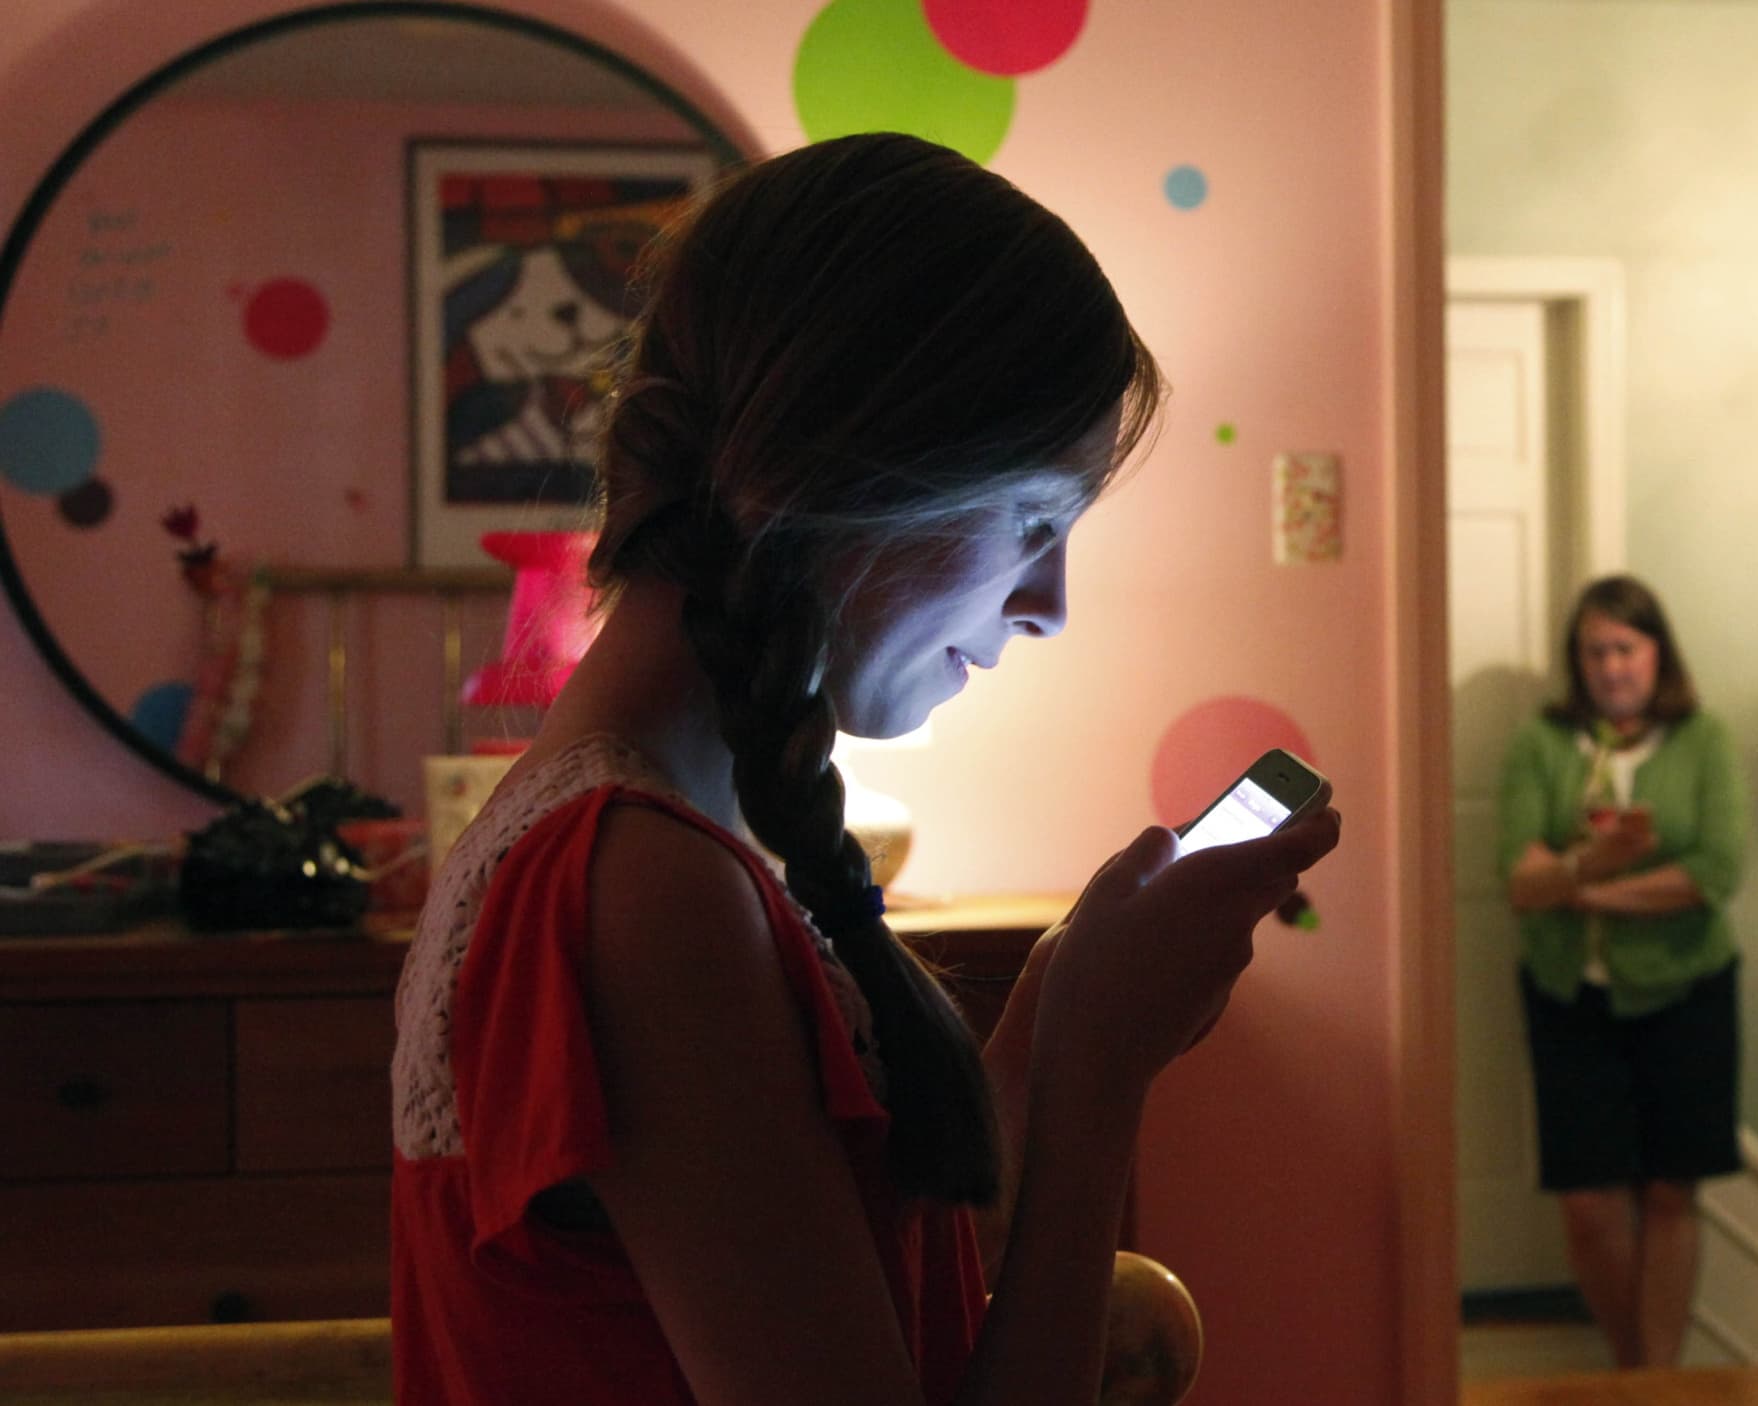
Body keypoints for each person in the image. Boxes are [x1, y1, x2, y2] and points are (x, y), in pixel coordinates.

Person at [387, 133, 1340, 1406]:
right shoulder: (642, 888)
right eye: (1032, 524)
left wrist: (1058, 1022)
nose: (1047, 604)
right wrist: (1104, 1079)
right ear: (836, 476)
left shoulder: (656, 844)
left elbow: (866, 1255)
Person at [1497, 574, 1746, 1369]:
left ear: (1657, 653)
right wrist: (1585, 867)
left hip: (1687, 989)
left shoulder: (1703, 739)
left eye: (1626, 648)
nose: (1611, 667)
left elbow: (1712, 872)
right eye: (1594, 650)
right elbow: (1521, 882)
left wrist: (1583, 885)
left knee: (1674, 1191)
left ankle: (1653, 1382)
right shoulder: (1542, 744)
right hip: (1571, 996)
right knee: (1588, 1201)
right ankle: (1640, 1371)